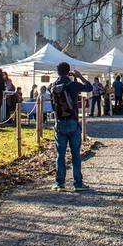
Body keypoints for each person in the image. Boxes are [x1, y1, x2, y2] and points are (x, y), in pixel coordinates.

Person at [49, 62, 93, 192]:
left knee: (60, 154)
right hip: (72, 121)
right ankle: (78, 184)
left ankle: (59, 183)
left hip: (59, 122)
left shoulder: (53, 86)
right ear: (69, 72)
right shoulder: (72, 85)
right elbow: (89, 88)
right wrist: (79, 76)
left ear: (57, 72)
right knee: (75, 154)